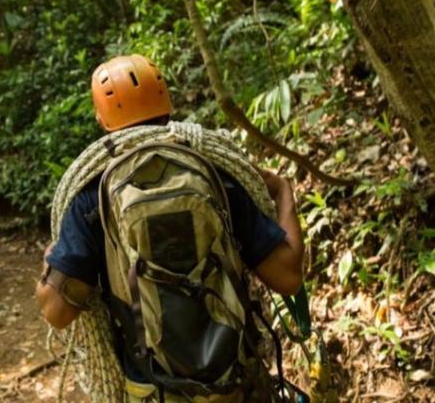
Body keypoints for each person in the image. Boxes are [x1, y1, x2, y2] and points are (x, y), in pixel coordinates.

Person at [36, 55, 304, 401]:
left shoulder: (90, 196)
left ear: (101, 119)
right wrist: (283, 191)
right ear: (168, 103)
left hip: (152, 391)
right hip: (235, 383)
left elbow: (56, 312)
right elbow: (288, 277)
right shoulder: (215, 173)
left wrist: (50, 256)